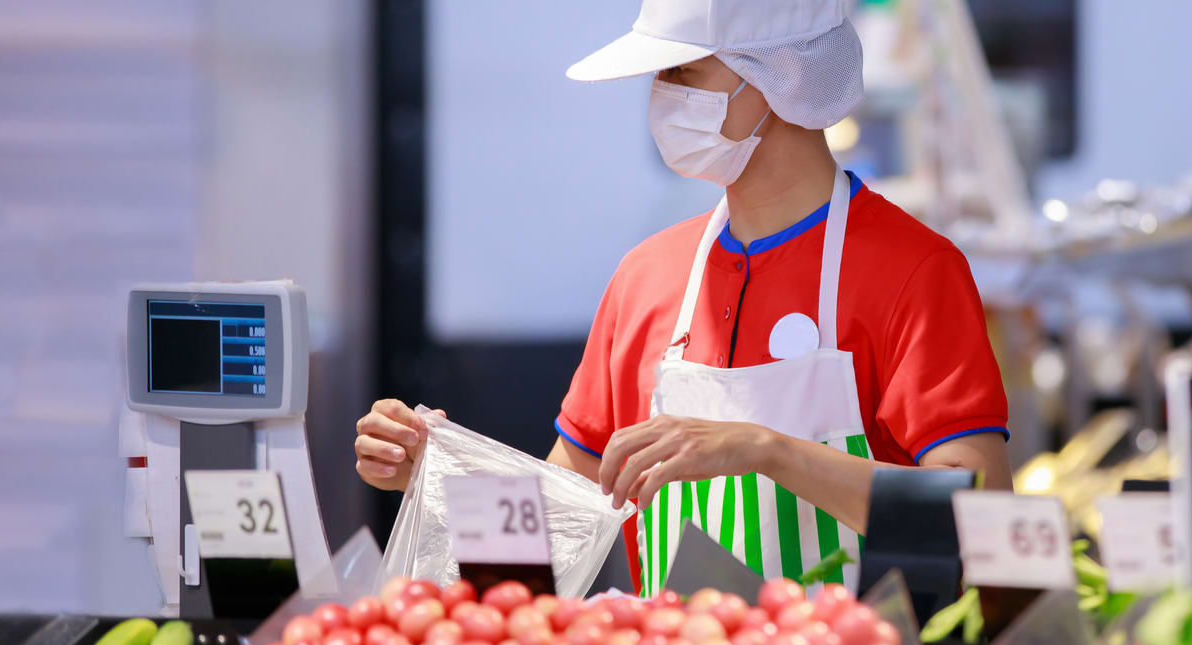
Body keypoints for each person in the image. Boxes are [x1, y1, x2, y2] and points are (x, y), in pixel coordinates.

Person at [354, 0, 1011, 597]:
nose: (659, 98)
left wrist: (765, 449)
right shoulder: (648, 276)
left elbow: (978, 520)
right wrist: (439, 480)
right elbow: (555, 536)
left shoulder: (913, 270)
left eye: (682, 74)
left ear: (777, 78)